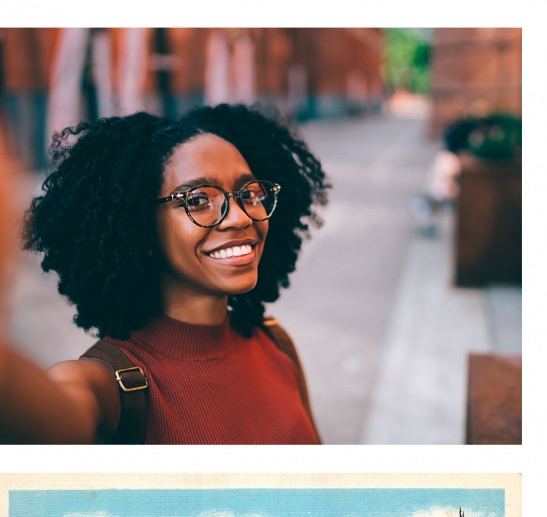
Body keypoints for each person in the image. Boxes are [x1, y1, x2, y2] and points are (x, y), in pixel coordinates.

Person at [17, 103, 329, 444]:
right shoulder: (105, 388)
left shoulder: (277, 345)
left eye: (250, 193)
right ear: (141, 227)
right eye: (197, 200)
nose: (240, 217)